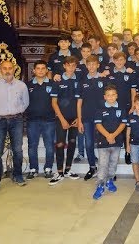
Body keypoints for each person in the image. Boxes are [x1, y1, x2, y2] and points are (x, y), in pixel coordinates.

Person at [0, 60, 29, 192]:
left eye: (10, 68)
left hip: (16, 120)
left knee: (18, 150)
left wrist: (16, 112)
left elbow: (25, 103)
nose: (7, 71)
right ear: (0, 70)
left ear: (14, 70)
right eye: (4, 68)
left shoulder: (21, 86)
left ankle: (18, 175)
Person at [49, 56, 82, 185]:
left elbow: (80, 102)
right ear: (64, 66)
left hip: (74, 118)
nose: (71, 68)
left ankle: (68, 170)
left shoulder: (78, 81)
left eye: (74, 65)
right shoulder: (57, 80)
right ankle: (59, 172)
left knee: (72, 142)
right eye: (69, 65)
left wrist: (79, 118)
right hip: (61, 118)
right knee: (60, 144)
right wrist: (62, 119)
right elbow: (54, 103)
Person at [92, 85, 127, 200]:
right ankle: (100, 185)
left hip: (116, 141)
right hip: (103, 142)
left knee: (113, 163)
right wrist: (108, 135)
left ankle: (109, 181)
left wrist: (113, 135)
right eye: (108, 95)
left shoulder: (121, 109)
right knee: (103, 164)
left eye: (113, 95)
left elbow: (123, 124)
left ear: (116, 96)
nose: (111, 97)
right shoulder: (99, 109)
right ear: (105, 97)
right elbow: (98, 124)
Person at [25, 60, 55, 180]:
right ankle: (33, 169)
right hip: (32, 120)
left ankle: (48, 168)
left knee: (49, 146)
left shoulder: (53, 84)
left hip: (49, 120)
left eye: (43, 68)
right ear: (34, 70)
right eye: (38, 68)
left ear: (47, 70)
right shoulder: (27, 85)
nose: (41, 70)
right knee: (32, 145)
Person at [77, 55, 104, 181]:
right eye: (89, 64)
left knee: (103, 143)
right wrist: (79, 120)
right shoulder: (82, 81)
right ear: (86, 66)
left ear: (98, 65)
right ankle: (92, 167)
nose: (92, 66)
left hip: (102, 118)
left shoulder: (103, 79)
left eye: (94, 64)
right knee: (88, 143)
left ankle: (105, 170)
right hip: (87, 117)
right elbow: (79, 103)